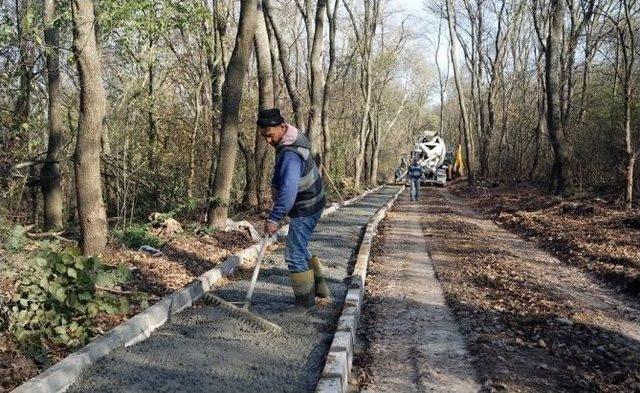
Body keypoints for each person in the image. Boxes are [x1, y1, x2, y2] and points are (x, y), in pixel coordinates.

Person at [257, 108, 330, 310]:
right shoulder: (291, 138)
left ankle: (305, 305)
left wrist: (274, 219)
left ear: (281, 127)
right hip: (313, 200)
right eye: (264, 137)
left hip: (306, 204)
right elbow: (281, 174)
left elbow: (289, 192)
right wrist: (274, 184)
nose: (267, 141)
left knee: (293, 253)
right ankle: (320, 289)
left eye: (270, 136)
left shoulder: (290, 152)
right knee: (300, 247)